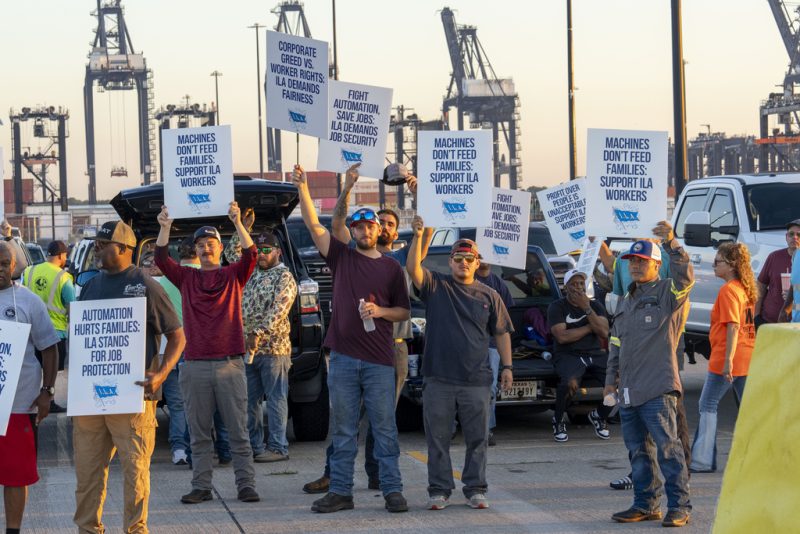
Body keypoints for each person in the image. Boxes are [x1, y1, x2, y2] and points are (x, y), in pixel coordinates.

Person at [303, 163, 433, 495]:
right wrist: (334, 187)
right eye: (362, 226)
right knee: (345, 426)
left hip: (390, 348)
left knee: (383, 424)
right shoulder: (346, 257)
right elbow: (323, 224)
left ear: (388, 230)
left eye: (386, 224)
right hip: (349, 353)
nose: (374, 229)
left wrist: (420, 195)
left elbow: (426, 231)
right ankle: (337, 483)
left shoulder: (400, 261)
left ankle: (384, 482)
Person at [72, 221, 186, 533]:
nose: (97, 247)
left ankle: (136, 529)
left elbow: (177, 336)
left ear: (124, 249)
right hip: (90, 401)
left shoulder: (146, 285)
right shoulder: (91, 286)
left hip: (133, 398)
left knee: (135, 474)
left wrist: (161, 373)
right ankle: (87, 529)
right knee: (87, 475)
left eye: (103, 242)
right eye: (96, 242)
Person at [155, 202, 261, 505]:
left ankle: (246, 485)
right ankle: (201, 486)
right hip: (195, 365)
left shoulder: (233, 276)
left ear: (219, 247)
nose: (205, 248)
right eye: (200, 245)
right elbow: (162, 259)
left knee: (239, 432)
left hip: (230, 363)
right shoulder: (187, 278)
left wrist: (238, 222)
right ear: (196, 250)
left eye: (211, 243)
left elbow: (251, 254)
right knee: (198, 433)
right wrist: (164, 226)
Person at [407, 222, 514, 511]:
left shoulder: (490, 295)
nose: (464, 263)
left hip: (477, 380)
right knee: (437, 439)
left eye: (469, 259)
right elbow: (413, 270)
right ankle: (439, 490)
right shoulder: (436, 285)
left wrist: (507, 367)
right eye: (458, 258)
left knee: (478, 439)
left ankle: (476, 489)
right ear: (451, 261)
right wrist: (419, 236)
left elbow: (502, 332)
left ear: (478, 262)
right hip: (438, 379)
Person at [605, 221, 694, 528]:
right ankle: (646, 504)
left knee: (669, 451)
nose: (636, 266)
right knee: (638, 453)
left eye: (643, 261)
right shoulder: (625, 300)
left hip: (657, 388)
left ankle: (680, 507)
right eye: (632, 261)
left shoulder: (668, 291)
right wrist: (609, 383)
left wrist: (671, 241)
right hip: (628, 391)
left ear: (657, 264)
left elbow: (685, 274)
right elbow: (615, 345)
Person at [0, 241, 60, 534]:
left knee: (15, 476)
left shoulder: (28, 301)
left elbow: (49, 348)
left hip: (18, 405)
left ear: (13, 267)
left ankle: (13, 530)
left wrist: (47, 391)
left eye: (3, 264)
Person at [225, 229, 297, 463]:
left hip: (274, 350)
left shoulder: (284, 276)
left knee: (276, 399)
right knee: (248, 400)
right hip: (247, 350)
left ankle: (277, 447)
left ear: (277, 251)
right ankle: (255, 447)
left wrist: (258, 332)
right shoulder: (251, 272)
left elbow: (279, 309)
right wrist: (240, 228)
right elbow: (231, 253)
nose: (262, 255)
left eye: (267, 250)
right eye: (258, 251)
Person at [690, 242, 756, 472]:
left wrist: (727, 360)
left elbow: (733, 327)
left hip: (728, 356)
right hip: (746, 354)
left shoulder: (729, 290)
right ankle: (757, 456)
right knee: (749, 408)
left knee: (707, 404)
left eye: (718, 261)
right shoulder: (744, 288)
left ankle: (702, 460)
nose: (714, 265)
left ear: (732, 265)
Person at [547, 268, 611, 443]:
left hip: (596, 354)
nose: (578, 288)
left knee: (618, 383)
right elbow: (562, 336)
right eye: (574, 284)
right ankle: (558, 420)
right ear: (566, 287)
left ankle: (599, 415)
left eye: (581, 283)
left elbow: (604, 332)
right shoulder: (557, 307)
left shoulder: (595, 305)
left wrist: (586, 308)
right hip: (569, 354)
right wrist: (591, 327)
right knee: (569, 383)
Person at [22, 239, 75, 413]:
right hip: (55, 333)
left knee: (31, 368)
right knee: (51, 370)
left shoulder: (29, 271)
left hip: (29, 332)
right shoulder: (64, 277)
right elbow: (71, 307)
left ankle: (29, 400)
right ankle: (49, 401)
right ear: (61, 256)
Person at [475, 259, 515, 446]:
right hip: (469, 344)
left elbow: (505, 320)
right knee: (457, 387)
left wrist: (508, 365)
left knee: (490, 387)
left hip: (492, 345)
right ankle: (451, 427)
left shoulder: (498, 285)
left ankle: (487, 429)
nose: (484, 260)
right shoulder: (466, 279)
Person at [756, 219, 799, 327]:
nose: (795, 237)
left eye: (799, 234)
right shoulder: (774, 257)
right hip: (769, 321)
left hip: (794, 325)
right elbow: (760, 287)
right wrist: (756, 316)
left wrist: (789, 302)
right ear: (786, 237)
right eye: (791, 234)